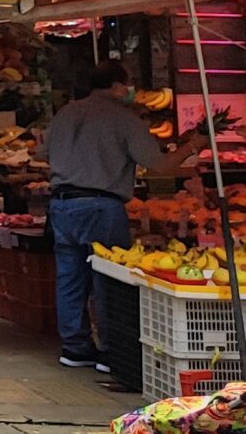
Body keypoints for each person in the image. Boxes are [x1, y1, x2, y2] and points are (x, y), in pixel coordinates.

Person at [44, 61, 160, 369]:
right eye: (130, 82)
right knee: (109, 278)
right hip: (102, 205)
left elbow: (43, 152)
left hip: (62, 204)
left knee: (69, 277)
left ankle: (75, 346)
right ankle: (113, 348)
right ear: (119, 85)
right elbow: (156, 162)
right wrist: (193, 147)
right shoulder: (124, 117)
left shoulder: (65, 113)